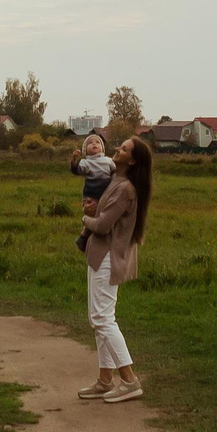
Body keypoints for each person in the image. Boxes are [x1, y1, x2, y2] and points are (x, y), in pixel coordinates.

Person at [78, 135, 150, 403]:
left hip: (108, 258)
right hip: (100, 255)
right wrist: (96, 208)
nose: (118, 149)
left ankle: (129, 380)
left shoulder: (125, 189)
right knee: (98, 318)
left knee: (103, 319)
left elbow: (103, 225)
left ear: (132, 161)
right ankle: (105, 380)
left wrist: (86, 217)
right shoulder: (115, 181)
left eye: (124, 149)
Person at [68, 132, 114, 246]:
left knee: (104, 216)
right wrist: (74, 160)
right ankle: (85, 236)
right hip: (91, 195)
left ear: (102, 148)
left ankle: (90, 236)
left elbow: (116, 172)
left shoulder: (108, 161)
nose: (94, 144)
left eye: (98, 142)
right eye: (90, 143)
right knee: (92, 214)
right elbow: (76, 171)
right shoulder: (86, 163)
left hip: (106, 195)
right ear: (85, 150)